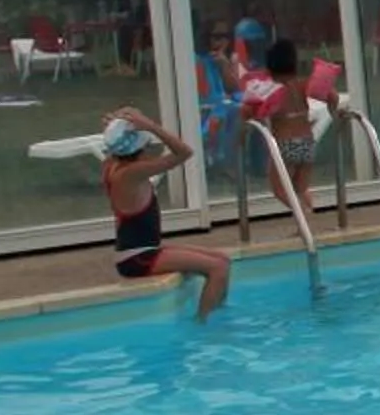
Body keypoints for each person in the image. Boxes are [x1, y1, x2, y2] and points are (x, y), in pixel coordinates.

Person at [100, 109, 228, 320]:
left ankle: (218, 313)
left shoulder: (112, 166)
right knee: (218, 268)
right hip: (137, 258)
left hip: (142, 250)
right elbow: (184, 153)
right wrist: (151, 126)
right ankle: (203, 325)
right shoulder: (132, 173)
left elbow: (115, 146)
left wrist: (114, 128)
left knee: (223, 259)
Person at [244, 37, 325, 224]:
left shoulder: (272, 89)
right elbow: (331, 95)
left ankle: (303, 216)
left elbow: (248, 111)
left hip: (285, 144)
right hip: (308, 143)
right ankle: (308, 223)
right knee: (301, 188)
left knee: (279, 190)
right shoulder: (302, 84)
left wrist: (244, 130)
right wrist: (333, 111)